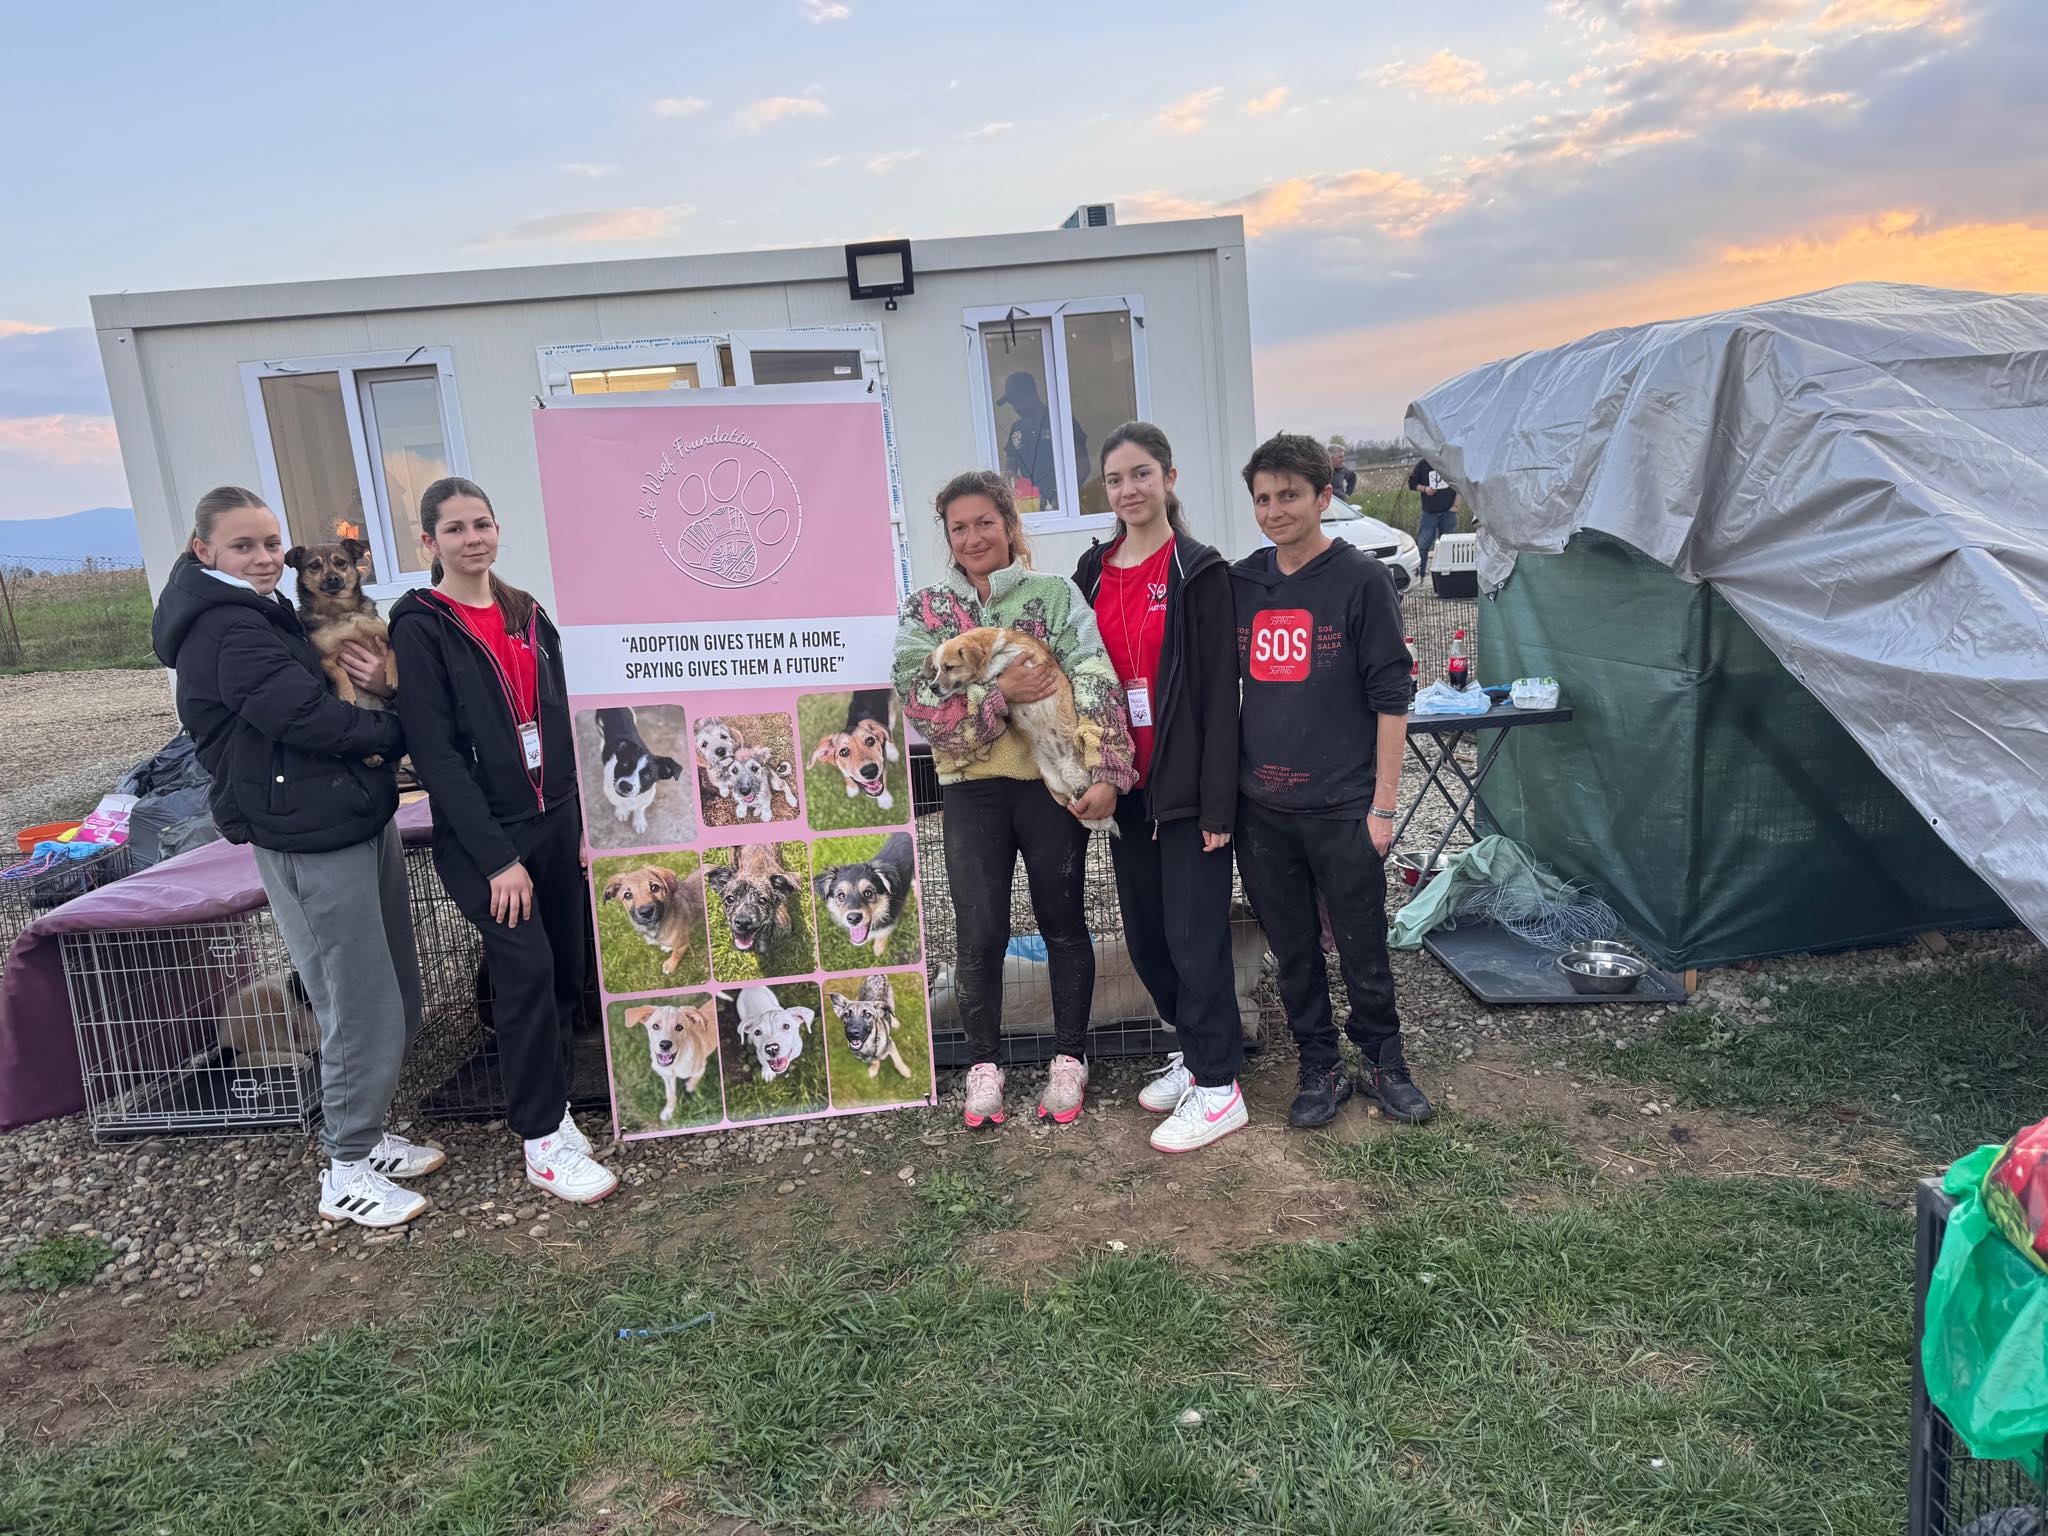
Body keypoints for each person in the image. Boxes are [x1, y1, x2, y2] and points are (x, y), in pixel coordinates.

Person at [150, 487, 442, 1229]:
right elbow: (304, 717)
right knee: (357, 1001)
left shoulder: (266, 610)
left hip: (350, 813)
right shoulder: (224, 627)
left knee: (396, 991)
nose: (263, 558)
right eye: (243, 545)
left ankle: (366, 1134)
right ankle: (346, 1167)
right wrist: (398, 734)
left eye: (271, 543)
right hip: (308, 832)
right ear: (204, 551)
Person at [390, 477, 618, 1204]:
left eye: (481, 524)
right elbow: (436, 755)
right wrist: (498, 860)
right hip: (487, 841)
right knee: (524, 973)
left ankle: (555, 1107)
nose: (472, 539)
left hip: (556, 819)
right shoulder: (421, 624)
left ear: (497, 530)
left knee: (565, 974)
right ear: (429, 542)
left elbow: (562, 715)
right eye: (455, 529)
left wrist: (583, 819)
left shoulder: (528, 613)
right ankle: (541, 1142)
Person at [893, 470, 1136, 1129]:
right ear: (947, 536)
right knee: (979, 932)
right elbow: (919, 702)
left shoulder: (1054, 596)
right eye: (959, 527)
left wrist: (1106, 769)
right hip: (971, 793)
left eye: (985, 522)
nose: (974, 537)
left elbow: (1093, 675)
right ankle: (984, 1065)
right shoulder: (924, 612)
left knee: (1063, 922)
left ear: (1009, 525)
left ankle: (1069, 1057)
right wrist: (1000, 697)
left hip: (1046, 788)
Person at [1231, 433, 1434, 1129]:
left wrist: (1384, 807)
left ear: (1324, 497)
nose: (1274, 510)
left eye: (1289, 495)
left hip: (1344, 807)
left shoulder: (1361, 581)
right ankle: (1319, 1065)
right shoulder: (1242, 583)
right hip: (1263, 809)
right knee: (1293, 952)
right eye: (1263, 498)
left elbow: (1392, 699)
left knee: (1362, 947)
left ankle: (1383, 1061)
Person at [1072, 424, 1246, 1153]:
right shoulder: (1090, 571)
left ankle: (1220, 1087)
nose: (1128, 490)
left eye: (1141, 474)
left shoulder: (1198, 571)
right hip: (1125, 788)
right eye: (1115, 479)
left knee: (1194, 935)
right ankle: (1195, 1051)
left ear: (1169, 478)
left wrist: (1218, 805)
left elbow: (1219, 697)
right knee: (1148, 937)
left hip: (1185, 789)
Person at [997, 371, 1087, 514]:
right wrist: (1016, 486)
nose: (1017, 408)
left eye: (1019, 401)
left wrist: (1063, 497)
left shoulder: (1059, 419)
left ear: (1032, 393)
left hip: (1066, 509)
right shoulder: (1016, 429)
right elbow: (1009, 470)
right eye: (1013, 404)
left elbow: (1083, 464)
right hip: (1032, 508)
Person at [1407, 458, 1459, 578]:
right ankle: (1420, 576)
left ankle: (1448, 575)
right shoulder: (1423, 464)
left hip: (1448, 512)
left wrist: (1456, 506)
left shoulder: (1449, 462)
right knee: (1423, 546)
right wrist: (1425, 489)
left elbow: (1460, 484)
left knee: (1449, 546)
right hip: (1429, 513)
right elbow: (1412, 483)